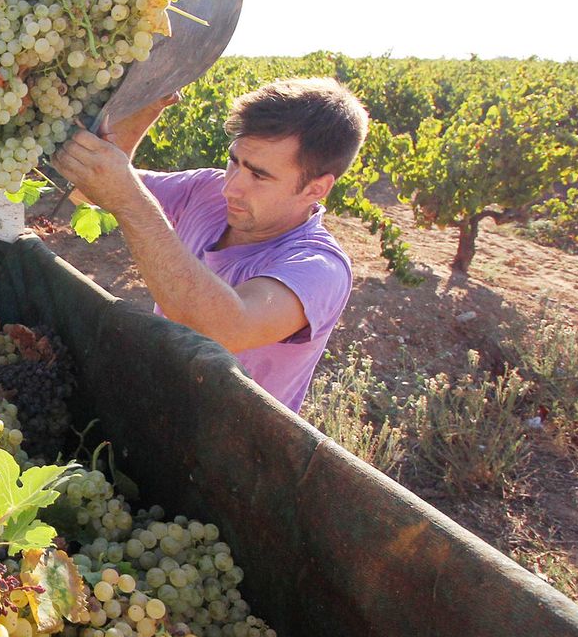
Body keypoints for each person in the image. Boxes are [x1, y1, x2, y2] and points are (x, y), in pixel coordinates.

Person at [51, 78, 368, 413]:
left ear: (316, 189)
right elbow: (91, 191)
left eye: (259, 176)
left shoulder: (319, 267)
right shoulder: (206, 189)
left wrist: (130, 202)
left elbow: (224, 327)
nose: (231, 187)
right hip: (152, 410)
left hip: (226, 453)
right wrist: (148, 106)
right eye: (235, 161)